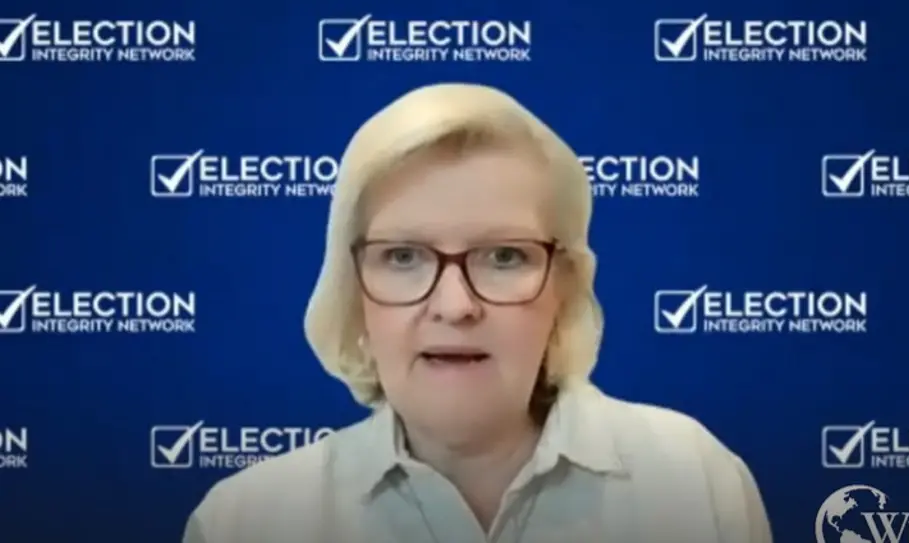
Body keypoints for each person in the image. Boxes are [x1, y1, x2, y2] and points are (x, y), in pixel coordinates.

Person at [181, 82, 774, 543]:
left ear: (564, 284)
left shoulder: (694, 481)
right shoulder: (244, 521)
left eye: (504, 255)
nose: (456, 305)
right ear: (352, 287)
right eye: (404, 256)